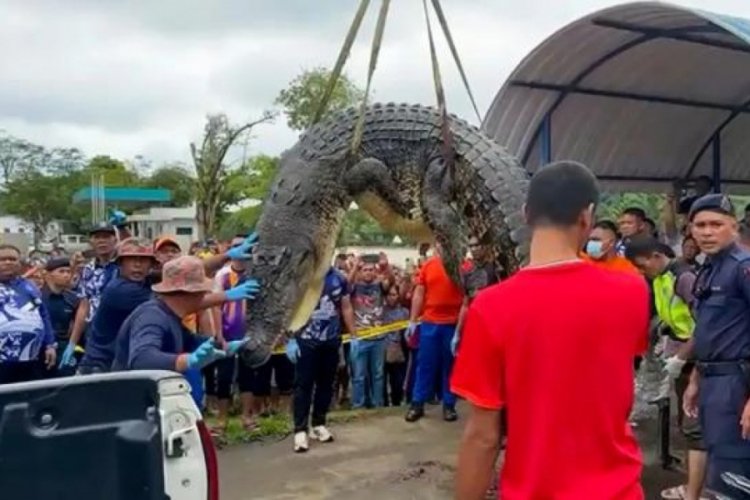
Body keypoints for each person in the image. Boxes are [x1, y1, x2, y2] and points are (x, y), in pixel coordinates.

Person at [452, 161, 650, 499]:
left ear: (526, 214)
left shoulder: (491, 307)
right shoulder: (632, 291)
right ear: (587, 217)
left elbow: (483, 437)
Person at [625, 236, 707, 500]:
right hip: (682, 356)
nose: (641, 271)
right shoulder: (660, 278)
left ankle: (698, 489)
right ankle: (696, 481)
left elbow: (707, 323)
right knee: (687, 420)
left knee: (697, 425)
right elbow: (672, 313)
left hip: (698, 357)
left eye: (641, 265)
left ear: (655, 257)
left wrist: (682, 356)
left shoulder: (684, 278)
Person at [683, 194, 750, 499]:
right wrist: (696, 379)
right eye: (700, 225)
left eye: (716, 224)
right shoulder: (707, 270)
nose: (707, 232)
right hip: (713, 382)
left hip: (738, 384)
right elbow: (710, 331)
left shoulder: (743, 268)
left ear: (733, 227)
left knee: (737, 474)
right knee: (720, 466)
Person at [112, 256, 248, 373]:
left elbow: (190, 342)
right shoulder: (152, 317)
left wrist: (222, 346)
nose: (204, 296)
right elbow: (141, 359)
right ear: (191, 293)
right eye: (203, 291)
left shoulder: (171, 316)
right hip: (131, 397)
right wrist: (187, 361)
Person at [286, 266, 355, 453]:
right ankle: (300, 430)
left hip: (331, 340)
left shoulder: (339, 278)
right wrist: (291, 337)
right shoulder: (301, 276)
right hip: (306, 340)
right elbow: (291, 307)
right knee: (303, 385)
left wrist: (354, 335)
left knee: (326, 384)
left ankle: (319, 423)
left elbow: (346, 307)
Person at [405, 241, 464, 423]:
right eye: (440, 243)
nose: (442, 246)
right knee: (425, 365)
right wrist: (413, 320)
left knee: (450, 366)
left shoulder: (463, 267)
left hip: (452, 324)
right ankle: (417, 403)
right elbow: (419, 293)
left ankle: (449, 405)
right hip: (430, 323)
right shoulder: (429, 265)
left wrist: (461, 330)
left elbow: (467, 300)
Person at [211, 235, 258, 433]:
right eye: (237, 246)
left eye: (246, 246)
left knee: (248, 377)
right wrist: (218, 333)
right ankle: (222, 420)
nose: (242, 249)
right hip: (227, 334)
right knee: (224, 378)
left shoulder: (256, 275)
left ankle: (247, 418)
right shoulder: (221, 275)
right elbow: (214, 305)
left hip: (249, 334)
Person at [62, 222, 119, 368]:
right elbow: (84, 306)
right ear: (91, 242)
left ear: (115, 240)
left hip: (119, 329)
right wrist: (73, 342)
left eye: (106, 237)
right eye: (97, 237)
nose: (102, 241)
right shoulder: (88, 269)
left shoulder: (123, 266)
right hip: (93, 331)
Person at [0, 245, 57, 384]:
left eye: (12, 259)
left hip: (30, 358)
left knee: (28, 400)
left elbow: (42, 314)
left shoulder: (29, 286)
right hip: (2, 360)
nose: (8, 262)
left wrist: (50, 344)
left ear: (19, 263)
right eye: (3, 259)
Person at [41, 257, 80, 377]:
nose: (66, 275)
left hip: (65, 347)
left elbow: (77, 324)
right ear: (48, 275)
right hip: (42, 348)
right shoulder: (37, 297)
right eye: (61, 271)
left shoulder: (73, 299)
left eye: (68, 272)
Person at [382, 283, 409, 407]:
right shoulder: (381, 311)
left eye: (394, 295)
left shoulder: (404, 312)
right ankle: (384, 403)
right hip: (383, 349)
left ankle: (397, 401)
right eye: (389, 295)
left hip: (399, 350)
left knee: (397, 380)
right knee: (382, 379)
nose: (391, 298)